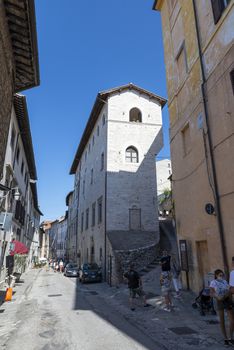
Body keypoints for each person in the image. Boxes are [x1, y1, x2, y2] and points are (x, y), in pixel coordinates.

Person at [210, 269, 234, 347]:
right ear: (216, 275)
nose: (222, 276)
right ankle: (225, 339)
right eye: (220, 275)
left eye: (222, 275)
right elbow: (212, 293)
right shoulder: (213, 282)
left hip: (227, 300)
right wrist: (218, 297)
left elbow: (230, 290)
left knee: (232, 320)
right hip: (219, 301)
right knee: (222, 320)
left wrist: (228, 294)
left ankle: (231, 337)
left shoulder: (225, 282)